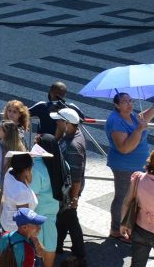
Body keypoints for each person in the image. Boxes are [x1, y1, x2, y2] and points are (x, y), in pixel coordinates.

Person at [106, 92, 154, 239]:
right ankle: (116, 229)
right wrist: (138, 130)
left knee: (133, 198)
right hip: (124, 167)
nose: (129, 103)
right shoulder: (116, 121)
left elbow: (141, 120)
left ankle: (128, 228)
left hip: (137, 165)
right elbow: (124, 148)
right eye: (125, 102)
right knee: (123, 198)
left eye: (130, 100)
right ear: (116, 105)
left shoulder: (129, 115)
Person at [0, 120, 26, 246]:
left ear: (5, 134)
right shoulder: (21, 148)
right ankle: (8, 237)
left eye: (0, 130)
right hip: (13, 187)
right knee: (8, 212)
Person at [52, 108, 86, 260]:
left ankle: (79, 252)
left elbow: (76, 176)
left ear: (67, 123)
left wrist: (74, 199)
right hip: (67, 189)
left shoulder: (73, 146)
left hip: (70, 190)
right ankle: (58, 246)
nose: (56, 123)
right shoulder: (70, 135)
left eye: (59, 121)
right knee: (63, 219)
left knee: (70, 219)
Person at [120, 147, 154, 266]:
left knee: (137, 263)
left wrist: (123, 223)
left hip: (140, 229)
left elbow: (126, 202)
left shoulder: (138, 178)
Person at [31, 134, 65, 267]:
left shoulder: (37, 167)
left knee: (37, 247)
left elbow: (32, 193)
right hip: (53, 210)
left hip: (37, 213)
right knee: (51, 244)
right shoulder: (62, 162)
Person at [1, 153, 38, 237]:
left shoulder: (9, 173)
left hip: (6, 222)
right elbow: (23, 221)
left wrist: (27, 170)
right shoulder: (21, 192)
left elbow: (30, 180)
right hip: (15, 230)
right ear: (27, 169)